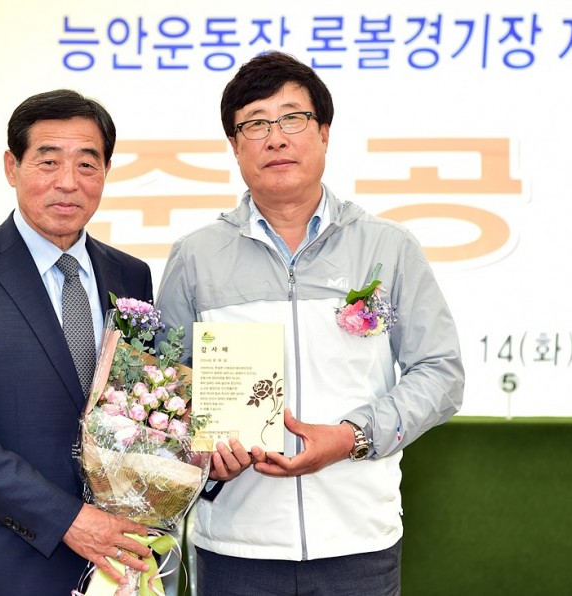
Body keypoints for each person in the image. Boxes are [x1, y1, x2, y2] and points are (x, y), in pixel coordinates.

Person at [157, 51, 465, 595]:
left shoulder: (388, 247)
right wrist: (199, 452)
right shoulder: (196, 256)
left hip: (358, 540)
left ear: (324, 133)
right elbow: (164, 387)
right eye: (255, 124)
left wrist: (352, 436)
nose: (275, 138)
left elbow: (440, 373)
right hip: (235, 544)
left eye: (292, 119)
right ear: (234, 145)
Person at [0, 89, 155, 595]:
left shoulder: (131, 275)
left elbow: (141, 411)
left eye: (87, 164)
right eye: (48, 161)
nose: (68, 182)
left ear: (106, 171)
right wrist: (68, 519)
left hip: (115, 562)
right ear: (11, 167)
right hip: (1, 561)